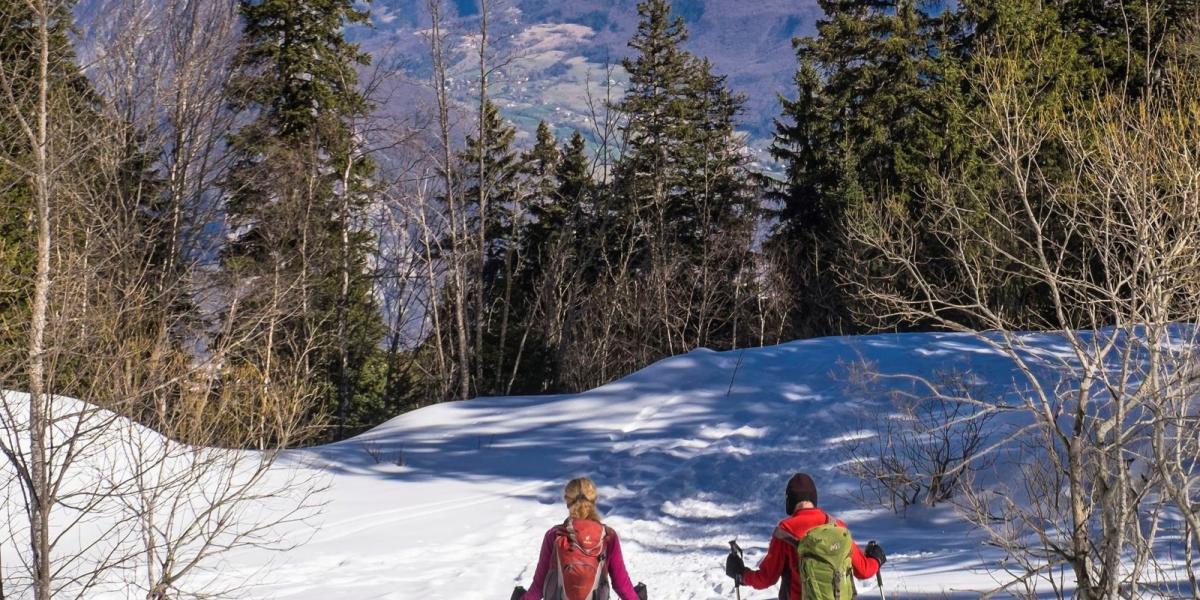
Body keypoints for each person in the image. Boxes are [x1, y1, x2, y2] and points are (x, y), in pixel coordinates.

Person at [724, 473, 886, 600]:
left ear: (789, 501)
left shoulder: (784, 532)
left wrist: (742, 574)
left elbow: (766, 578)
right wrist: (876, 558)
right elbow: (864, 571)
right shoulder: (838, 527)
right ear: (814, 498)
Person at [512, 477, 647, 600]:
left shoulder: (554, 535)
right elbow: (621, 586)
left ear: (567, 501)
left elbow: (538, 588)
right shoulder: (608, 536)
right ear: (594, 500)